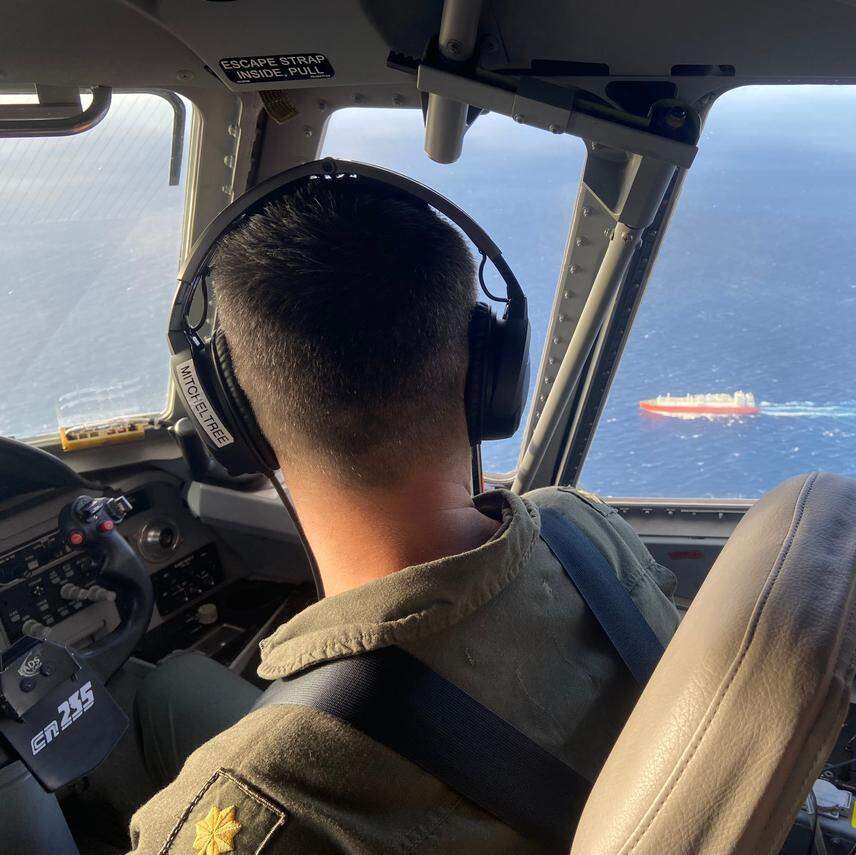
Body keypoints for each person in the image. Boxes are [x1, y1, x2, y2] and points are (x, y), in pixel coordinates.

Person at [128, 177, 680, 853]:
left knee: (154, 693)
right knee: (175, 690)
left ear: (231, 419)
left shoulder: (256, 800)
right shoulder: (582, 528)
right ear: (490, 376)